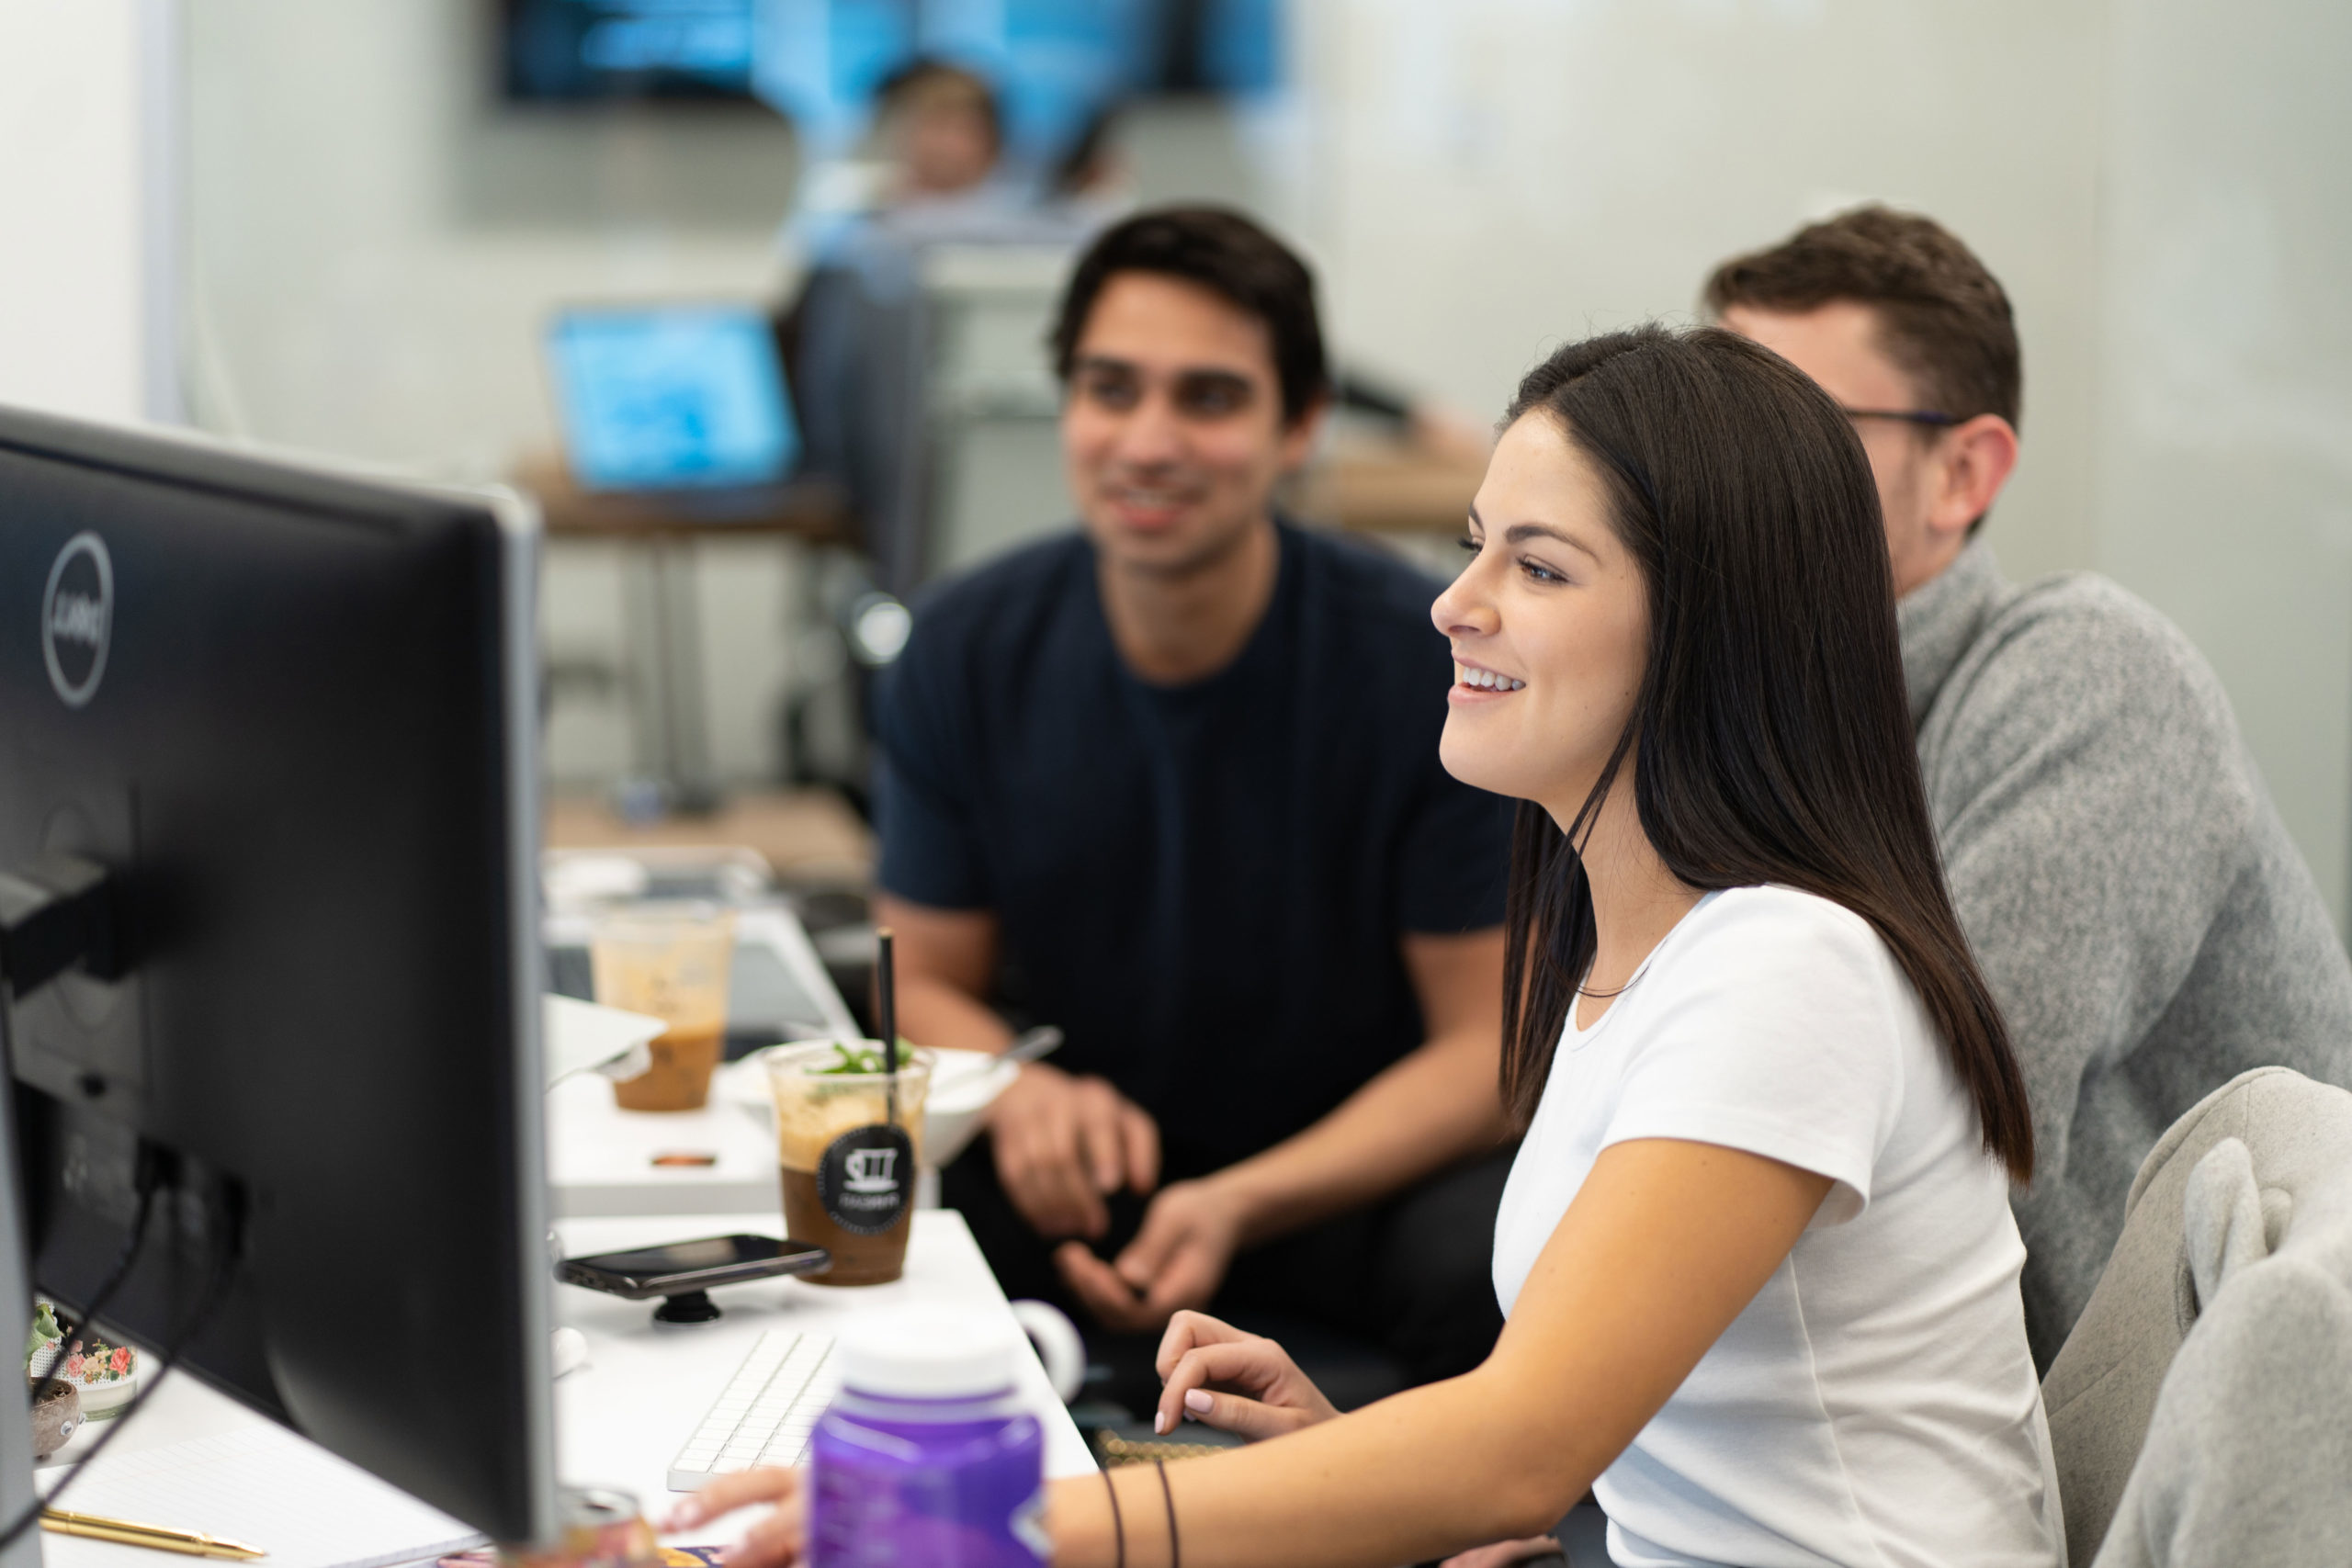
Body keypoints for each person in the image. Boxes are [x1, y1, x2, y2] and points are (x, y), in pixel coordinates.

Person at [667, 322, 2066, 1568]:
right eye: (1474, 543)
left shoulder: (1786, 969)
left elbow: (1519, 1452)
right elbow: (1592, 1456)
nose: (1457, 601)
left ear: (1703, 631)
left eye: (1538, 564)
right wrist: (1355, 1455)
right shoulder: (1634, 959)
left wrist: (1001, 1521)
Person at [869, 207, 1518, 1397]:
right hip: (1086, 1183)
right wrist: (1015, 1083)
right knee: (874, 1188)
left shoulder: (1425, 661)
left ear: (1300, 425)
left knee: (1500, 1258)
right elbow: (921, 975)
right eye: (1111, 389)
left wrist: (1244, 1195)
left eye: (1208, 399)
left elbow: (1492, 1048)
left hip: (1349, 1180)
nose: (1149, 441)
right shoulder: (965, 644)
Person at [1705, 206, 2352, 1367]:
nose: (1719, 479)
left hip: (2168, 1465)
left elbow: (1928, 1147)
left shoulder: (2088, 675)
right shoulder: (1750, 715)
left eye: (1787, 433)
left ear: (1961, 471)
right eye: (1707, 427)